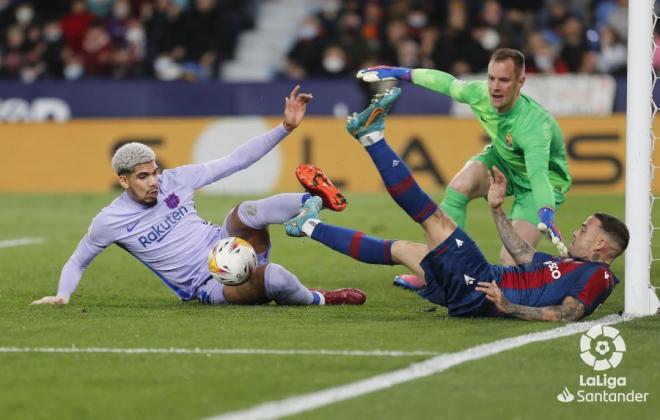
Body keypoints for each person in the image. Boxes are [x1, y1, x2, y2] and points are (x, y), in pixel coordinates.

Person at [285, 87, 627, 321]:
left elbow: (567, 314)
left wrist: (509, 307)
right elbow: (523, 255)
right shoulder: (570, 262)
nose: (577, 231)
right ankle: (309, 225)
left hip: (481, 287)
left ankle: (371, 137)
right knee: (401, 249)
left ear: (600, 244)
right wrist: (495, 211)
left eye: (585, 229)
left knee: (434, 219)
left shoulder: (598, 276)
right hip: (484, 283)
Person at [31, 86, 365, 307]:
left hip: (227, 242)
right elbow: (78, 260)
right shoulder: (110, 221)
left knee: (246, 210)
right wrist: (62, 296)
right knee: (276, 277)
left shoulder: (176, 180)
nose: (153, 182)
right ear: (123, 180)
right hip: (210, 281)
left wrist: (285, 128)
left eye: (154, 172)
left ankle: (312, 203)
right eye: (143, 176)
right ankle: (320, 299)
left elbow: (235, 161)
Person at [356, 48, 572, 275]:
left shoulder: (534, 126)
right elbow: (446, 83)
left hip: (541, 183)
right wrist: (399, 72)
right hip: (503, 161)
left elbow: (538, 174)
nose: (495, 87)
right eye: (491, 78)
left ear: (521, 82)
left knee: (509, 264)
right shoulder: (479, 93)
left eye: (504, 80)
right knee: (459, 186)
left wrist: (546, 212)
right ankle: (441, 273)